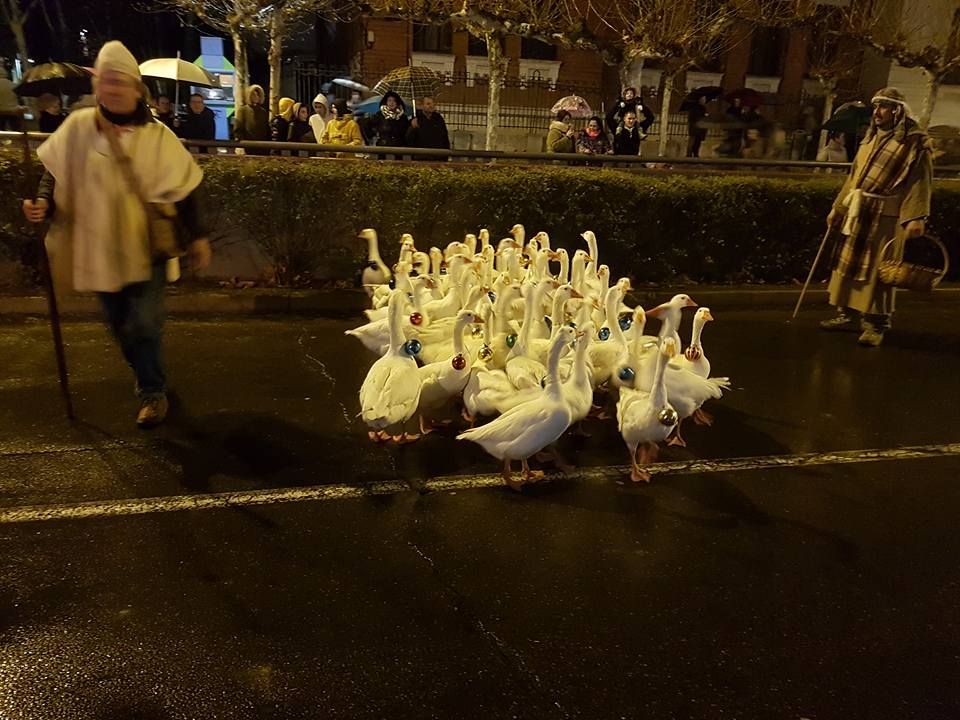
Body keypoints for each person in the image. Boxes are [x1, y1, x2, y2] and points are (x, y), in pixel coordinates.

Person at [21, 40, 211, 427]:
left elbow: (188, 188)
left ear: (137, 88)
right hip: (100, 249)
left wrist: (197, 237)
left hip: (147, 249)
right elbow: (54, 175)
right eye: (106, 80)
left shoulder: (158, 137)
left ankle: (152, 392)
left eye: (120, 81)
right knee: (120, 327)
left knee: (143, 323)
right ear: (98, 86)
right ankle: (146, 373)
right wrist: (42, 203)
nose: (112, 88)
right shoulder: (78, 127)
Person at [820, 87, 933, 347]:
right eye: (876, 106)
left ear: (897, 111)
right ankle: (846, 314)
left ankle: (875, 323)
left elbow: (920, 182)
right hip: (858, 212)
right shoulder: (869, 137)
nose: (877, 112)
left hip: (886, 216)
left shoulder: (915, 142)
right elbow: (854, 178)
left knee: (877, 272)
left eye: (884, 106)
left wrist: (915, 217)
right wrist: (838, 208)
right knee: (848, 267)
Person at [0, 66, 23, 131]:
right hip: (13, 110)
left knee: (1, 131)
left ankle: (3, 140)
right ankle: (18, 140)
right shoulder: (13, 85)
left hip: (1, 111)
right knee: (16, 129)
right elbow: (19, 98)